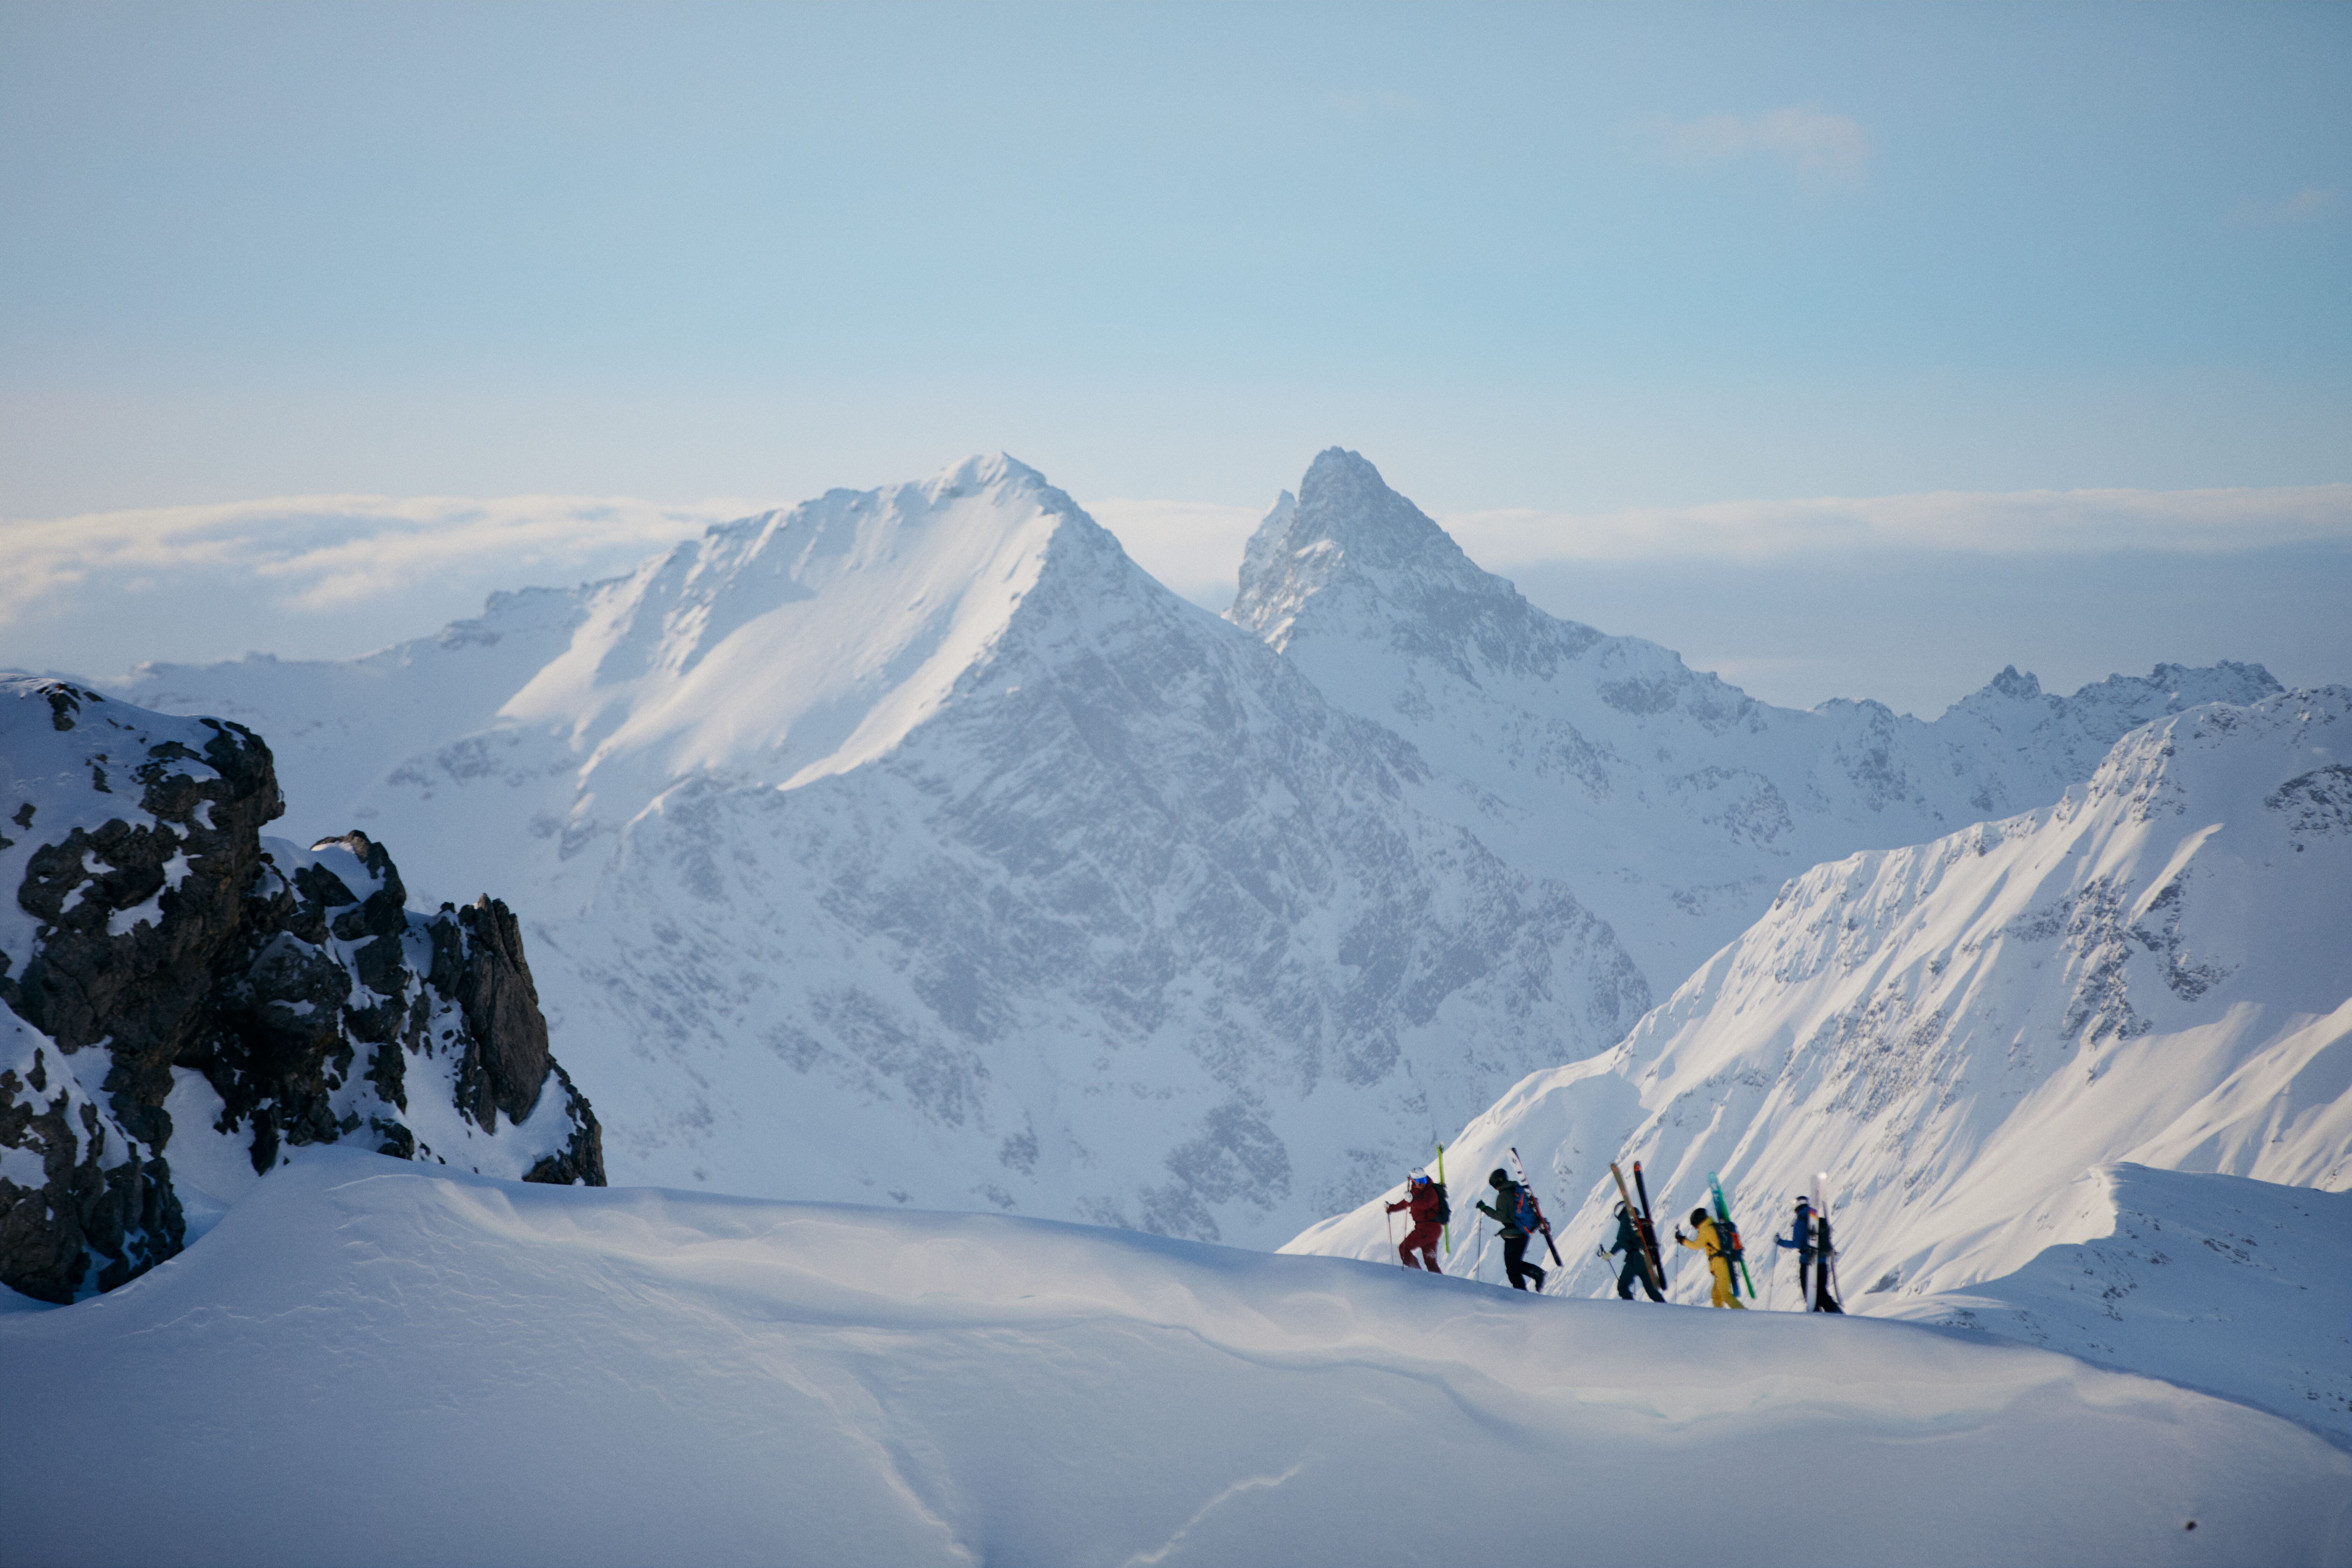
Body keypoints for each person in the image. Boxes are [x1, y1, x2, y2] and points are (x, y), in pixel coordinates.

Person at [1475, 1168, 1547, 1292]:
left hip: (1514, 1235)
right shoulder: (1516, 1190)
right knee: (1514, 1265)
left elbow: (1502, 1216)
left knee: (1512, 1268)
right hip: (1523, 1233)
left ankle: (1524, 1290)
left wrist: (1485, 1209)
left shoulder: (1504, 1196)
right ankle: (1531, 1279)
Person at [1674, 1206, 1745, 1309]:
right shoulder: (1713, 1226)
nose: (1697, 1229)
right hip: (1722, 1264)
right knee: (1716, 1296)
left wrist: (1682, 1240)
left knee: (1725, 1295)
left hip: (1721, 1265)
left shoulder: (1706, 1230)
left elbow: (1696, 1246)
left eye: (1695, 1226)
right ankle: (1719, 1318)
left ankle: (1745, 1315)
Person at [1384, 1171, 1445, 1272]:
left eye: (1424, 1180)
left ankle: (1416, 1275)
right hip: (1432, 1232)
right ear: (1413, 1182)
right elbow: (1405, 1204)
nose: (1422, 1184)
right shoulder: (1415, 1194)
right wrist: (1391, 1208)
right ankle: (1441, 1285)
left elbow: (1426, 1204)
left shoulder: (1431, 1191)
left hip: (1426, 1230)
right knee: (1431, 1262)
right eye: (1419, 1181)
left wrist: (1412, 1200)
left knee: (1404, 1249)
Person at [1606, 1200, 1665, 1302]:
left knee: (1623, 1286)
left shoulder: (1625, 1220)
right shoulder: (1637, 1220)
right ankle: (1668, 1310)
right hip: (1648, 1258)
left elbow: (1622, 1241)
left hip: (1637, 1259)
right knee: (1652, 1292)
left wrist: (1610, 1254)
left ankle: (1631, 1311)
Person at [1774, 1196, 1819, 1309]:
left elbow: (1797, 1244)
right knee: (1822, 1295)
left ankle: (1816, 1316)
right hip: (1821, 1261)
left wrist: (1779, 1242)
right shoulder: (1815, 1217)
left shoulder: (1801, 1221)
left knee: (1809, 1294)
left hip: (1807, 1261)